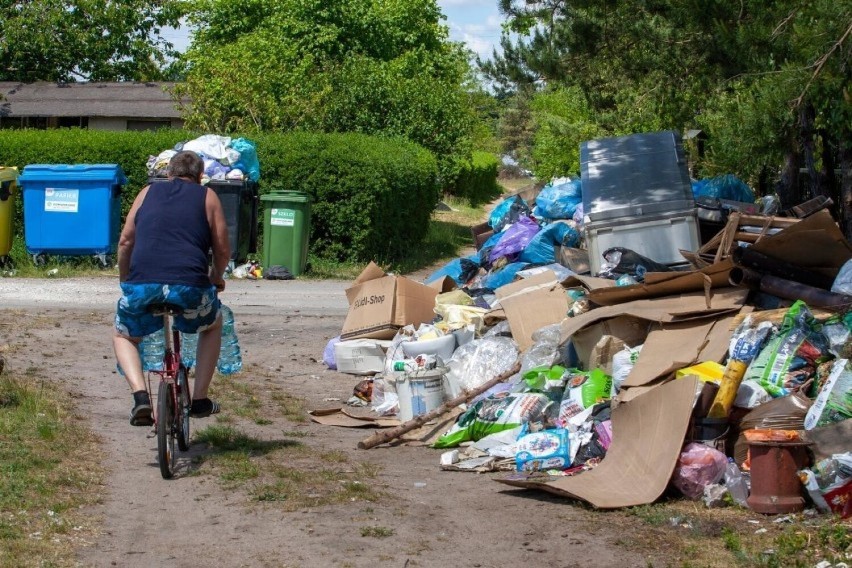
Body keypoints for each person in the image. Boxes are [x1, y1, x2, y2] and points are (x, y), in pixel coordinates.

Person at [113, 151, 231, 426]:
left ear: (168, 173)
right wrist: (216, 277)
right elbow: (223, 249)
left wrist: (125, 278)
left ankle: (141, 397)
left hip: (143, 285)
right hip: (190, 287)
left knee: (124, 334)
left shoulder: (146, 193)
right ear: (200, 176)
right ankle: (200, 398)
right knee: (212, 324)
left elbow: (125, 242)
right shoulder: (208, 196)